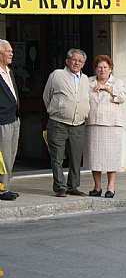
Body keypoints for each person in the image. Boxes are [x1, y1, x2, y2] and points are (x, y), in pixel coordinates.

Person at [43, 49, 91, 197]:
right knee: (57, 157)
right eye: (74, 60)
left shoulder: (85, 79)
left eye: (80, 61)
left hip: (78, 124)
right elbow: (47, 96)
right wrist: (58, 110)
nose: (76, 63)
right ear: (67, 61)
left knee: (76, 157)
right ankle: (60, 187)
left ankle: (73, 186)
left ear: (83, 64)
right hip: (58, 123)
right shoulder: (57, 75)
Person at [85, 55, 126, 198]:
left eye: (105, 67)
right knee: (94, 157)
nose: (102, 70)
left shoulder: (117, 82)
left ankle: (111, 187)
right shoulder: (88, 82)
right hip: (93, 123)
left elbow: (122, 97)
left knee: (111, 157)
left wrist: (106, 88)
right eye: (99, 67)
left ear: (110, 69)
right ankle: (97, 187)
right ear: (95, 69)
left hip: (112, 125)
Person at [0, 39, 20, 201]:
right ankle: (1, 189)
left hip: (14, 118)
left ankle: (6, 186)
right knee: (3, 156)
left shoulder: (9, 71)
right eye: (8, 51)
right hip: (2, 121)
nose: (11, 53)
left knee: (11, 154)